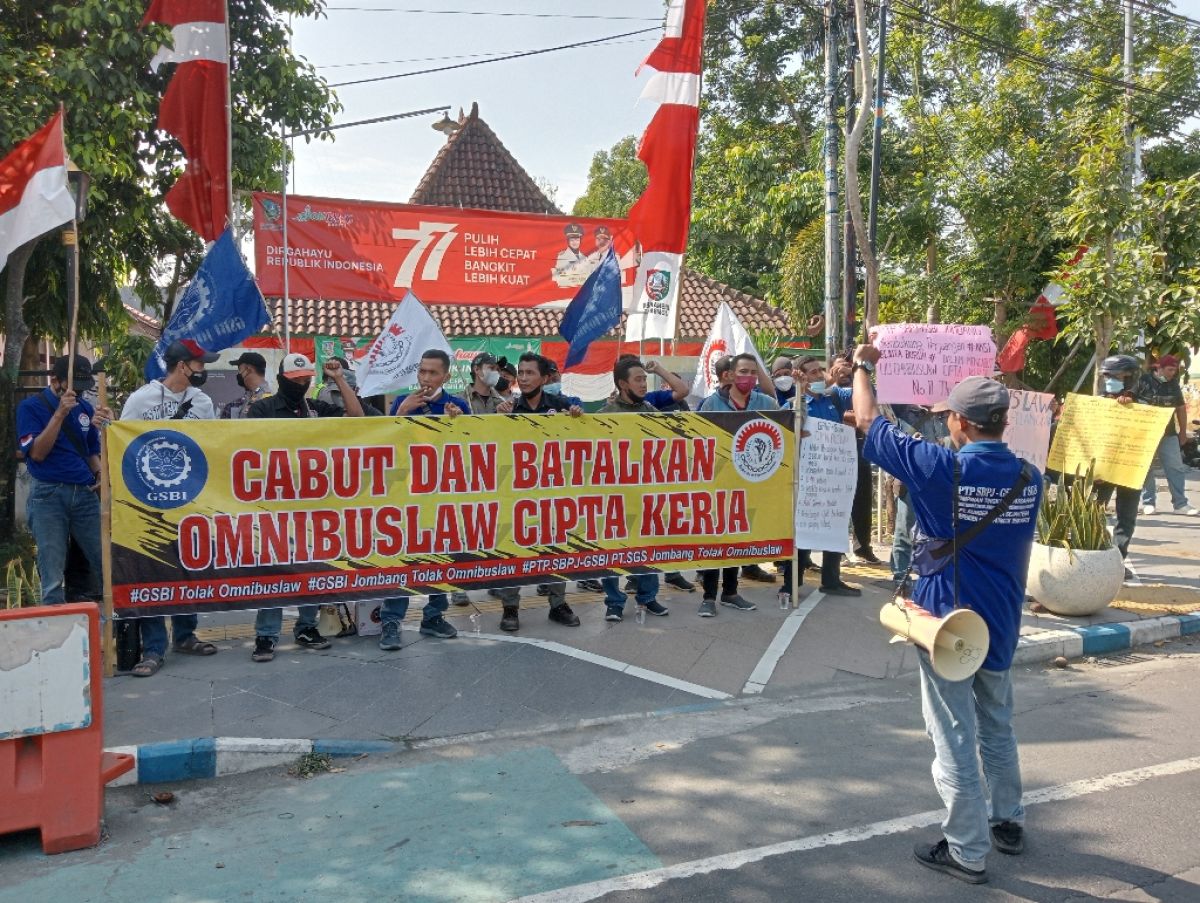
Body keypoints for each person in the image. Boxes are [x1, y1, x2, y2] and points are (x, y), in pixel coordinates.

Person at [852, 344, 1043, 885]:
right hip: (1001, 623)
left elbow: (868, 419)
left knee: (953, 735)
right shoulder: (1031, 479)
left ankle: (967, 849)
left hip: (947, 625)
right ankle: (1008, 822)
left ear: (959, 421)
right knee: (997, 725)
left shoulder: (939, 467)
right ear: (1003, 422)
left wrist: (864, 364)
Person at [248, 353, 364, 662]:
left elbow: (355, 417)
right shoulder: (262, 410)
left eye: (306, 379)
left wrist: (339, 377)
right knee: (275, 570)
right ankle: (266, 635)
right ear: (282, 378)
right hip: (275, 503)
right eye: (296, 379)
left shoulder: (316, 408)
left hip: (315, 505)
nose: (301, 383)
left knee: (313, 566)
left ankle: (306, 627)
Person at [120, 340, 221, 676]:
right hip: (147, 501)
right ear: (183, 366)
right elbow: (122, 444)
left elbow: (215, 446)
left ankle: (185, 635)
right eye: (200, 364)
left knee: (186, 568)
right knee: (150, 570)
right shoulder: (141, 400)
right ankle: (153, 648)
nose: (203, 370)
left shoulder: (203, 403)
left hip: (191, 499)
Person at [377, 350, 470, 649]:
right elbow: (384, 443)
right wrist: (402, 412)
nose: (426, 378)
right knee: (402, 558)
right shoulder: (404, 401)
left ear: (446, 376)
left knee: (440, 555)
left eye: (433, 373)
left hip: (442, 495)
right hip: (405, 494)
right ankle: (391, 621)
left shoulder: (458, 405)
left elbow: (472, 447)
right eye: (422, 372)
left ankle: (433, 616)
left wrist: (458, 425)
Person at [17, 354, 112, 607]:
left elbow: (91, 450)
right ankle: (55, 633)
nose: (78, 395)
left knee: (106, 560)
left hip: (83, 491)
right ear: (56, 381)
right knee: (52, 569)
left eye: (82, 389)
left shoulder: (84, 409)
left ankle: (116, 627)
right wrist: (59, 414)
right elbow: (37, 453)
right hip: (48, 494)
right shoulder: (31, 407)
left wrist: (101, 474)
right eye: (73, 388)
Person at [501, 353, 586, 631]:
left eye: (529, 373)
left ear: (545, 379)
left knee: (556, 547)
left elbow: (580, 412)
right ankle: (510, 607)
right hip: (518, 493)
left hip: (552, 492)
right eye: (521, 373)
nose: (523, 378)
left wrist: (576, 412)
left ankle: (558, 604)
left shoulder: (560, 405)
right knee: (514, 549)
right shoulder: (509, 410)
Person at [694, 353, 777, 616]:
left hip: (748, 485)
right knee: (714, 541)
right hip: (716, 484)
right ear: (729, 374)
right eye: (743, 371)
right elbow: (700, 441)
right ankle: (708, 596)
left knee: (737, 539)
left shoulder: (765, 402)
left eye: (753, 372)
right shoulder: (711, 404)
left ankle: (730, 592)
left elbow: (789, 424)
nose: (748, 378)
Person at [782, 356, 861, 599]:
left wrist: (857, 369)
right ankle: (791, 583)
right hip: (806, 476)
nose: (818, 375)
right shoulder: (792, 405)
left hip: (834, 476)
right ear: (800, 375)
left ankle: (831, 580)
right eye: (812, 372)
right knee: (802, 528)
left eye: (820, 371)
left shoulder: (835, 398)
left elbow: (865, 393)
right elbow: (789, 434)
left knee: (835, 525)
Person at [596, 358, 668, 621]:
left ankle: (648, 597)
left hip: (645, 493)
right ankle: (614, 601)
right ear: (622, 384)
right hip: (613, 495)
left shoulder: (652, 411)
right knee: (611, 548)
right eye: (638, 379)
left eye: (644, 379)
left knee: (647, 546)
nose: (643, 384)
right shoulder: (604, 416)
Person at [1092, 355, 1148, 578]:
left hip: (1131, 469)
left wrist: (1132, 407)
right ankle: (1092, 556)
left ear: (1130, 378)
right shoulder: (1097, 403)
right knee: (1094, 513)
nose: (1110, 380)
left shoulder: (1144, 405)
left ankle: (1117, 561)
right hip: (1102, 470)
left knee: (1126, 518)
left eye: (1116, 376)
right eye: (1107, 376)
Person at [1138, 354, 1196, 516]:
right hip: (1146, 434)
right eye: (1170, 370)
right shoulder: (1143, 381)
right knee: (1146, 468)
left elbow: (1180, 409)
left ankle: (1180, 504)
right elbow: (1131, 401)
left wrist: (1182, 432)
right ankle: (1149, 502)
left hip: (1168, 434)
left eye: (1175, 370)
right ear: (1159, 368)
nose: (1172, 373)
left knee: (1176, 467)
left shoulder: (1174, 385)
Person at [220, 351, 270, 419]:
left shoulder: (264, 398)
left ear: (248, 369)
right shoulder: (252, 395)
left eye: (240, 370)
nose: (238, 374)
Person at [552, 223, 589, 288]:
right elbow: (558, 279)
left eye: (577, 240)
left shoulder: (584, 258)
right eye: (572, 240)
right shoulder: (562, 256)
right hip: (566, 292)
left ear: (580, 241)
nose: (575, 242)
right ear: (568, 241)